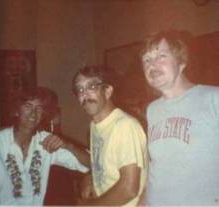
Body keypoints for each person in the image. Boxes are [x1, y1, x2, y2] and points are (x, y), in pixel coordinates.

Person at [140, 30, 219, 205]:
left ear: (181, 62)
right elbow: (155, 169)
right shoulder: (152, 110)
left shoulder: (213, 98)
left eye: (161, 56)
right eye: (146, 60)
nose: (152, 65)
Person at [0, 86, 89, 205]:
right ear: (16, 111)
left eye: (39, 108)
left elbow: (90, 164)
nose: (33, 113)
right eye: (28, 106)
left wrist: (68, 145)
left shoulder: (46, 140)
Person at [72, 65, 148, 206]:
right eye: (80, 90)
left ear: (107, 91)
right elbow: (104, 165)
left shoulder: (125, 126)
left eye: (92, 87)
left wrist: (89, 205)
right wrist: (91, 176)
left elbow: (128, 189)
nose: (85, 95)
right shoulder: (95, 126)